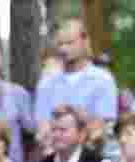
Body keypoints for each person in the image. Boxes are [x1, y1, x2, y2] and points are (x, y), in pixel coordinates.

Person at [35, 19, 118, 152]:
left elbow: (102, 129)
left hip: (93, 156)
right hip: (55, 157)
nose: (63, 49)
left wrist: (79, 118)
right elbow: (42, 129)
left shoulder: (103, 80)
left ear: (85, 42)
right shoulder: (47, 83)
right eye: (60, 44)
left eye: (70, 43)